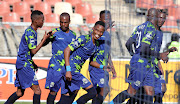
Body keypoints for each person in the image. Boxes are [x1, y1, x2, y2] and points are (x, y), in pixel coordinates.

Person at [113, 8, 170, 104]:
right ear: (155, 17)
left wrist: (134, 54)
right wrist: (159, 55)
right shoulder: (151, 28)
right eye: (158, 17)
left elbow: (128, 43)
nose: (160, 20)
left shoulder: (140, 27)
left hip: (147, 64)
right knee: (132, 92)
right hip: (141, 64)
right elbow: (144, 48)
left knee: (150, 92)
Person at [56, 21, 111, 104]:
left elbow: (92, 62)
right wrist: (68, 70)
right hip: (71, 69)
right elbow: (67, 50)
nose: (98, 33)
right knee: (92, 92)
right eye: (97, 30)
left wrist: (102, 66)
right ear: (93, 29)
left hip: (74, 71)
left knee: (67, 100)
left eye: (101, 32)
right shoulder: (84, 39)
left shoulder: (96, 46)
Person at [5, 10, 51, 104]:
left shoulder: (32, 31)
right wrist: (44, 39)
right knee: (37, 90)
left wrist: (32, 63)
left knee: (19, 93)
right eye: (42, 20)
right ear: (36, 21)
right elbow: (33, 51)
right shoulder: (30, 33)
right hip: (24, 64)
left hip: (23, 63)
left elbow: (27, 52)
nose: (43, 22)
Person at [44, 12, 76, 104]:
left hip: (67, 68)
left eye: (65, 22)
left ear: (69, 22)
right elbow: (45, 44)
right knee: (53, 91)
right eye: (61, 22)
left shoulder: (73, 35)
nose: (63, 24)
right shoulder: (55, 32)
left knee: (68, 93)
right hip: (56, 67)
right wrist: (47, 38)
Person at [87, 10, 116, 104]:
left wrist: (112, 66)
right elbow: (91, 35)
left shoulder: (107, 34)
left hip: (104, 68)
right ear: (100, 19)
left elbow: (107, 53)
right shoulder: (96, 33)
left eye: (109, 19)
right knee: (105, 89)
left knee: (97, 93)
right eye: (106, 19)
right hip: (96, 67)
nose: (108, 21)